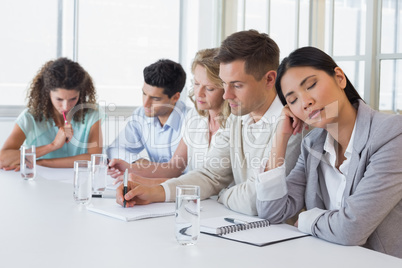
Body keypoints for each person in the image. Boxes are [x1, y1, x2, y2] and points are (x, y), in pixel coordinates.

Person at [116, 30, 303, 216]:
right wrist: (153, 193)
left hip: (282, 236)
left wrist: (222, 194)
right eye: (223, 84)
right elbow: (210, 176)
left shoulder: (292, 124)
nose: (226, 95)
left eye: (237, 85)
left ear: (269, 79)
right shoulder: (238, 116)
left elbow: (257, 200)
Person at [255, 46, 402, 258]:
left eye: (311, 85)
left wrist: (307, 219)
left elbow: (351, 229)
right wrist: (281, 137)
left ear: (339, 78)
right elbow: (272, 213)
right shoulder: (312, 145)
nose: (305, 102)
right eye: (293, 100)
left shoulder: (391, 134)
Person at [108, 48, 230, 185]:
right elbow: (174, 168)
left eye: (209, 88)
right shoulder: (195, 118)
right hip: (193, 196)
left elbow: (205, 179)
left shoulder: (233, 124)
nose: (198, 93)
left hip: (210, 197)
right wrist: (132, 167)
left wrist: (149, 182)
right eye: (196, 84)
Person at [0, 57, 104, 169]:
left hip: (79, 183)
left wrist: (40, 162)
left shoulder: (92, 115)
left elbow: (95, 158)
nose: (66, 106)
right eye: (59, 99)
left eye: (73, 99)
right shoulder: (29, 117)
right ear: (47, 94)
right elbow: (3, 159)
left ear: (81, 93)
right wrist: (52, 146)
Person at [106, 59, 188, 165]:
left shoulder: (192, 120)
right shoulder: (141, 114)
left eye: (155, 98)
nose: (145, 104)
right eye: (144, 94)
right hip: (151, 179)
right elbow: (114, 150)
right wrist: (139, 162)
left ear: (175, 97)